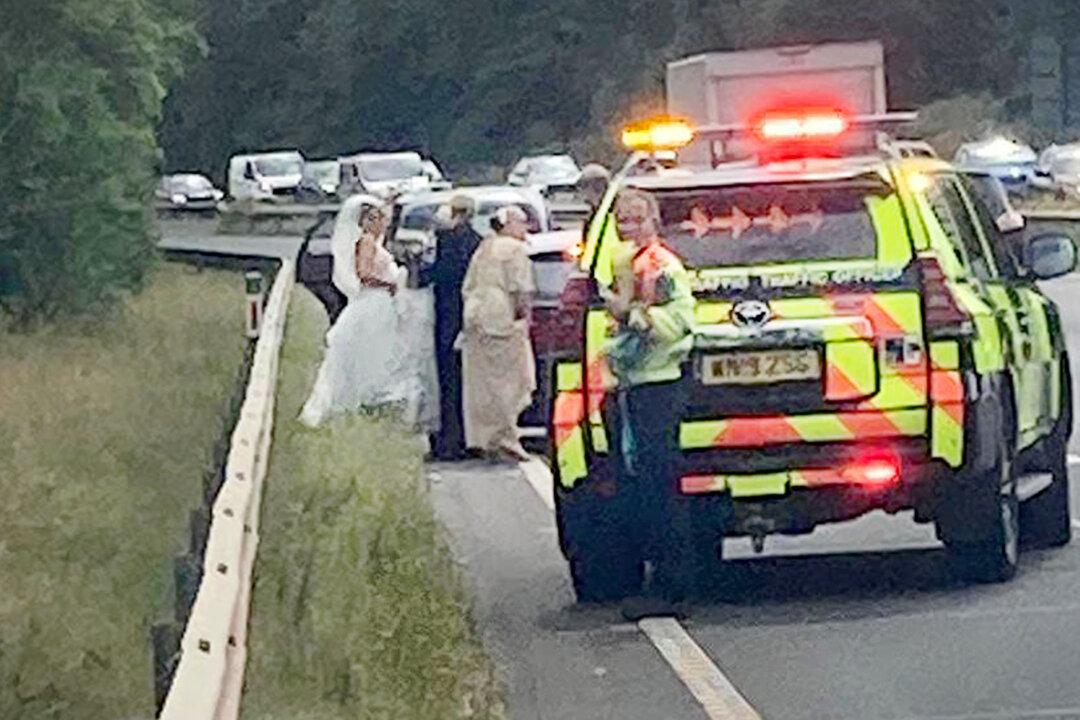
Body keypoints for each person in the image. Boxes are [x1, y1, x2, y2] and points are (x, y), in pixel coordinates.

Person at [603, 189, 696, 615]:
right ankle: (658, 582)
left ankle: (671, 588)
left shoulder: (662, 267)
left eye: (636, 219)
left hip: (659, 385)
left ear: (653, 220)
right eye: (621, 220)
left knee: (660, 487)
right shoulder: (627, 264)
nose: (628, 227)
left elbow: (680, 322)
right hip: (634, 386)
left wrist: (632, 317)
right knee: (640, 486)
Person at [298, 198, 407, 427]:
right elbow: (364, 274)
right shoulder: (366, 243)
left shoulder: (374, 243)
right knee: (369, 347)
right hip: (373, 300)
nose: (383, 225)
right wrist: (388, 284)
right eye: (379, 220)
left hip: (381, 302)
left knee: (378, 348)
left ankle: (374, 397)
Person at [458, 205, 536, 462]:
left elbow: (468, 285)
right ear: (509, 224)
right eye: (522, 223)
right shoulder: (515, 250)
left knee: (481, 382)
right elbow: (519, 289)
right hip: (502, 318)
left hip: (475, 316)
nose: (525, 229)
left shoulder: (483, 248)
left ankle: (484, 437)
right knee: (511, 380)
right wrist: (523, 316)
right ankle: (506, 436)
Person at [422, 194, 483, 459]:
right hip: (469, 314)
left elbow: (442, 272)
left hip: (448, 313)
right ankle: (467, 437)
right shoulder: (478, 242)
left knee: (447, 378)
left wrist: (418, 272)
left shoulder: (446, 240)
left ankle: (448, 440)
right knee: (466, 380)